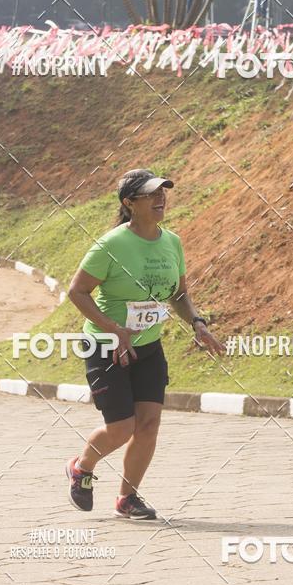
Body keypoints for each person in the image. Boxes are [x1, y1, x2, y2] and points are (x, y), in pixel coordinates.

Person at [66, 168, 225, 520]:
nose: (161, 198)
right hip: (106, 347)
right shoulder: (111, 245)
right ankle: (81, 466)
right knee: (122, 428)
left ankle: (128, 498)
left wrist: (197, 323)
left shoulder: (172, 242)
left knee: (149, 424)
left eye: (163, 192)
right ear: (129, 203)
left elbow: (179, 294)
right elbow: (77, 292)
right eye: (151, 194)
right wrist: (113, 328)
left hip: (148, 347)